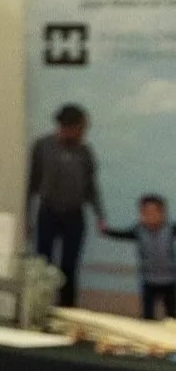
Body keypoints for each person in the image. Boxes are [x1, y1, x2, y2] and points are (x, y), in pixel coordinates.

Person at [28, 103, 103, 306]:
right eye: (81, 127)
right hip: (48, 213)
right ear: (68, 126)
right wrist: (27, 217)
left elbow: (91, 186)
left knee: (69, 267)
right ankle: (39, 306)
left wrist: (100, 215)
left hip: (74, 215)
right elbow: (32, 183)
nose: (83, 132)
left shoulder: (85, 152)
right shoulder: (42, 147)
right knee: (42, 265)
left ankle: (68, 308)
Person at [99, 192, 176, 320]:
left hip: (169, 280)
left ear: (162, 213)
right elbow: (121, 234)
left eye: (155, 212)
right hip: (148, 280)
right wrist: (106, 231)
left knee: (171, 314)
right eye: (146, 213)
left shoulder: (170, 229)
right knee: (147, 315)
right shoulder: (139, 231)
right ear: (141, 214)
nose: (151, 216)